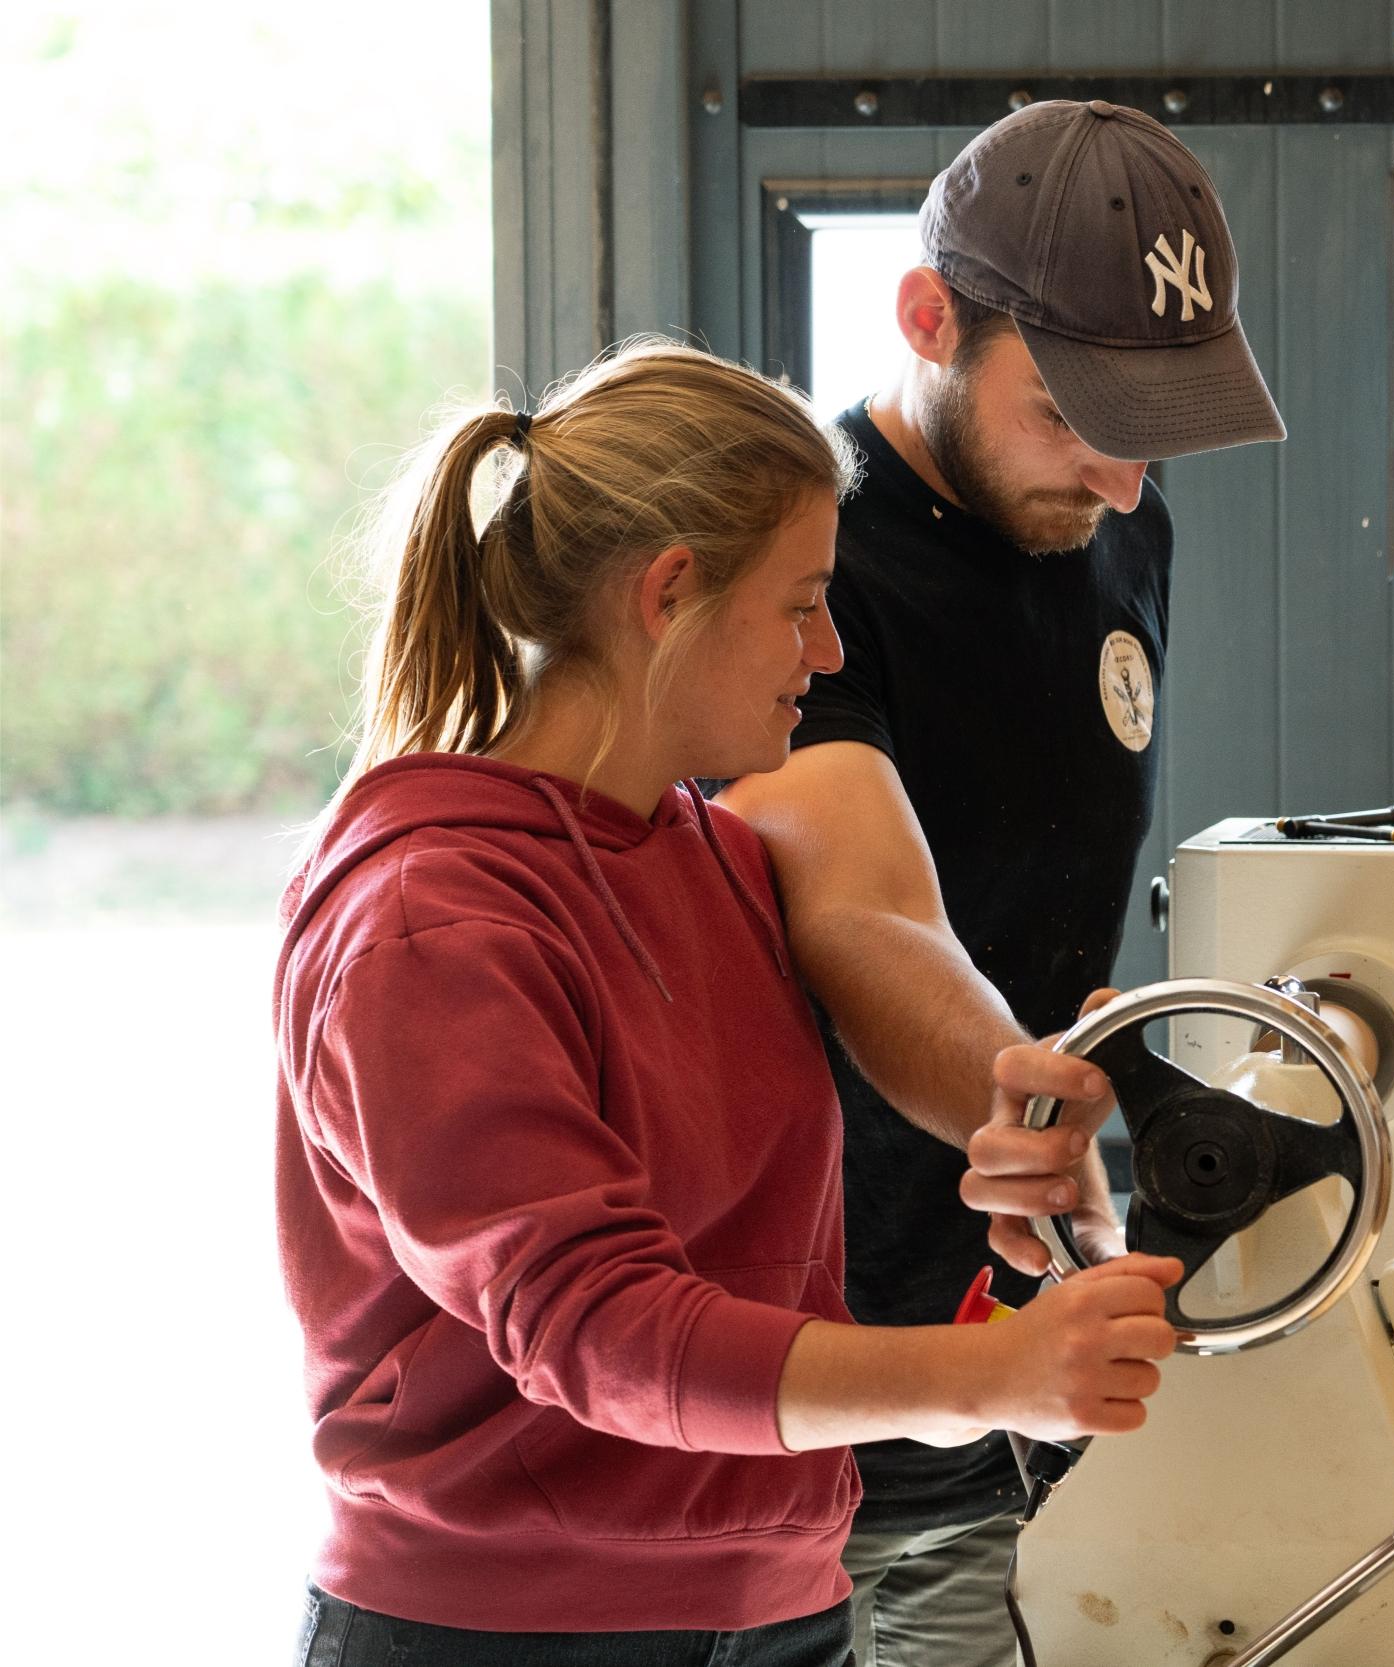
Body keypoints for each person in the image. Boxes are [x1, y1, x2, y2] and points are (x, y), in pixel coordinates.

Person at [275, 340, 1182, 1667]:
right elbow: (601, 1329)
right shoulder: (430, 920)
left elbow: (869, 962)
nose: (825, 651)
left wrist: (1017, 1232)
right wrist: (980, 1380)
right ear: (668, 595)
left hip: (770, 1607)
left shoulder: (710, 862)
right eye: (803, 603)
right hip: (502, 1628)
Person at [716, 99, 1284, 1664]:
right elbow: (860, 904)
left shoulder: (1122, 524)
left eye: (1151, 428)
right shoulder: (813, 554)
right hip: (791, 1395)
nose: (1117, 481)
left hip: (1004, 1389)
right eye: (1070, 416)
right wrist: (1028, 1113)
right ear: (928, 319)